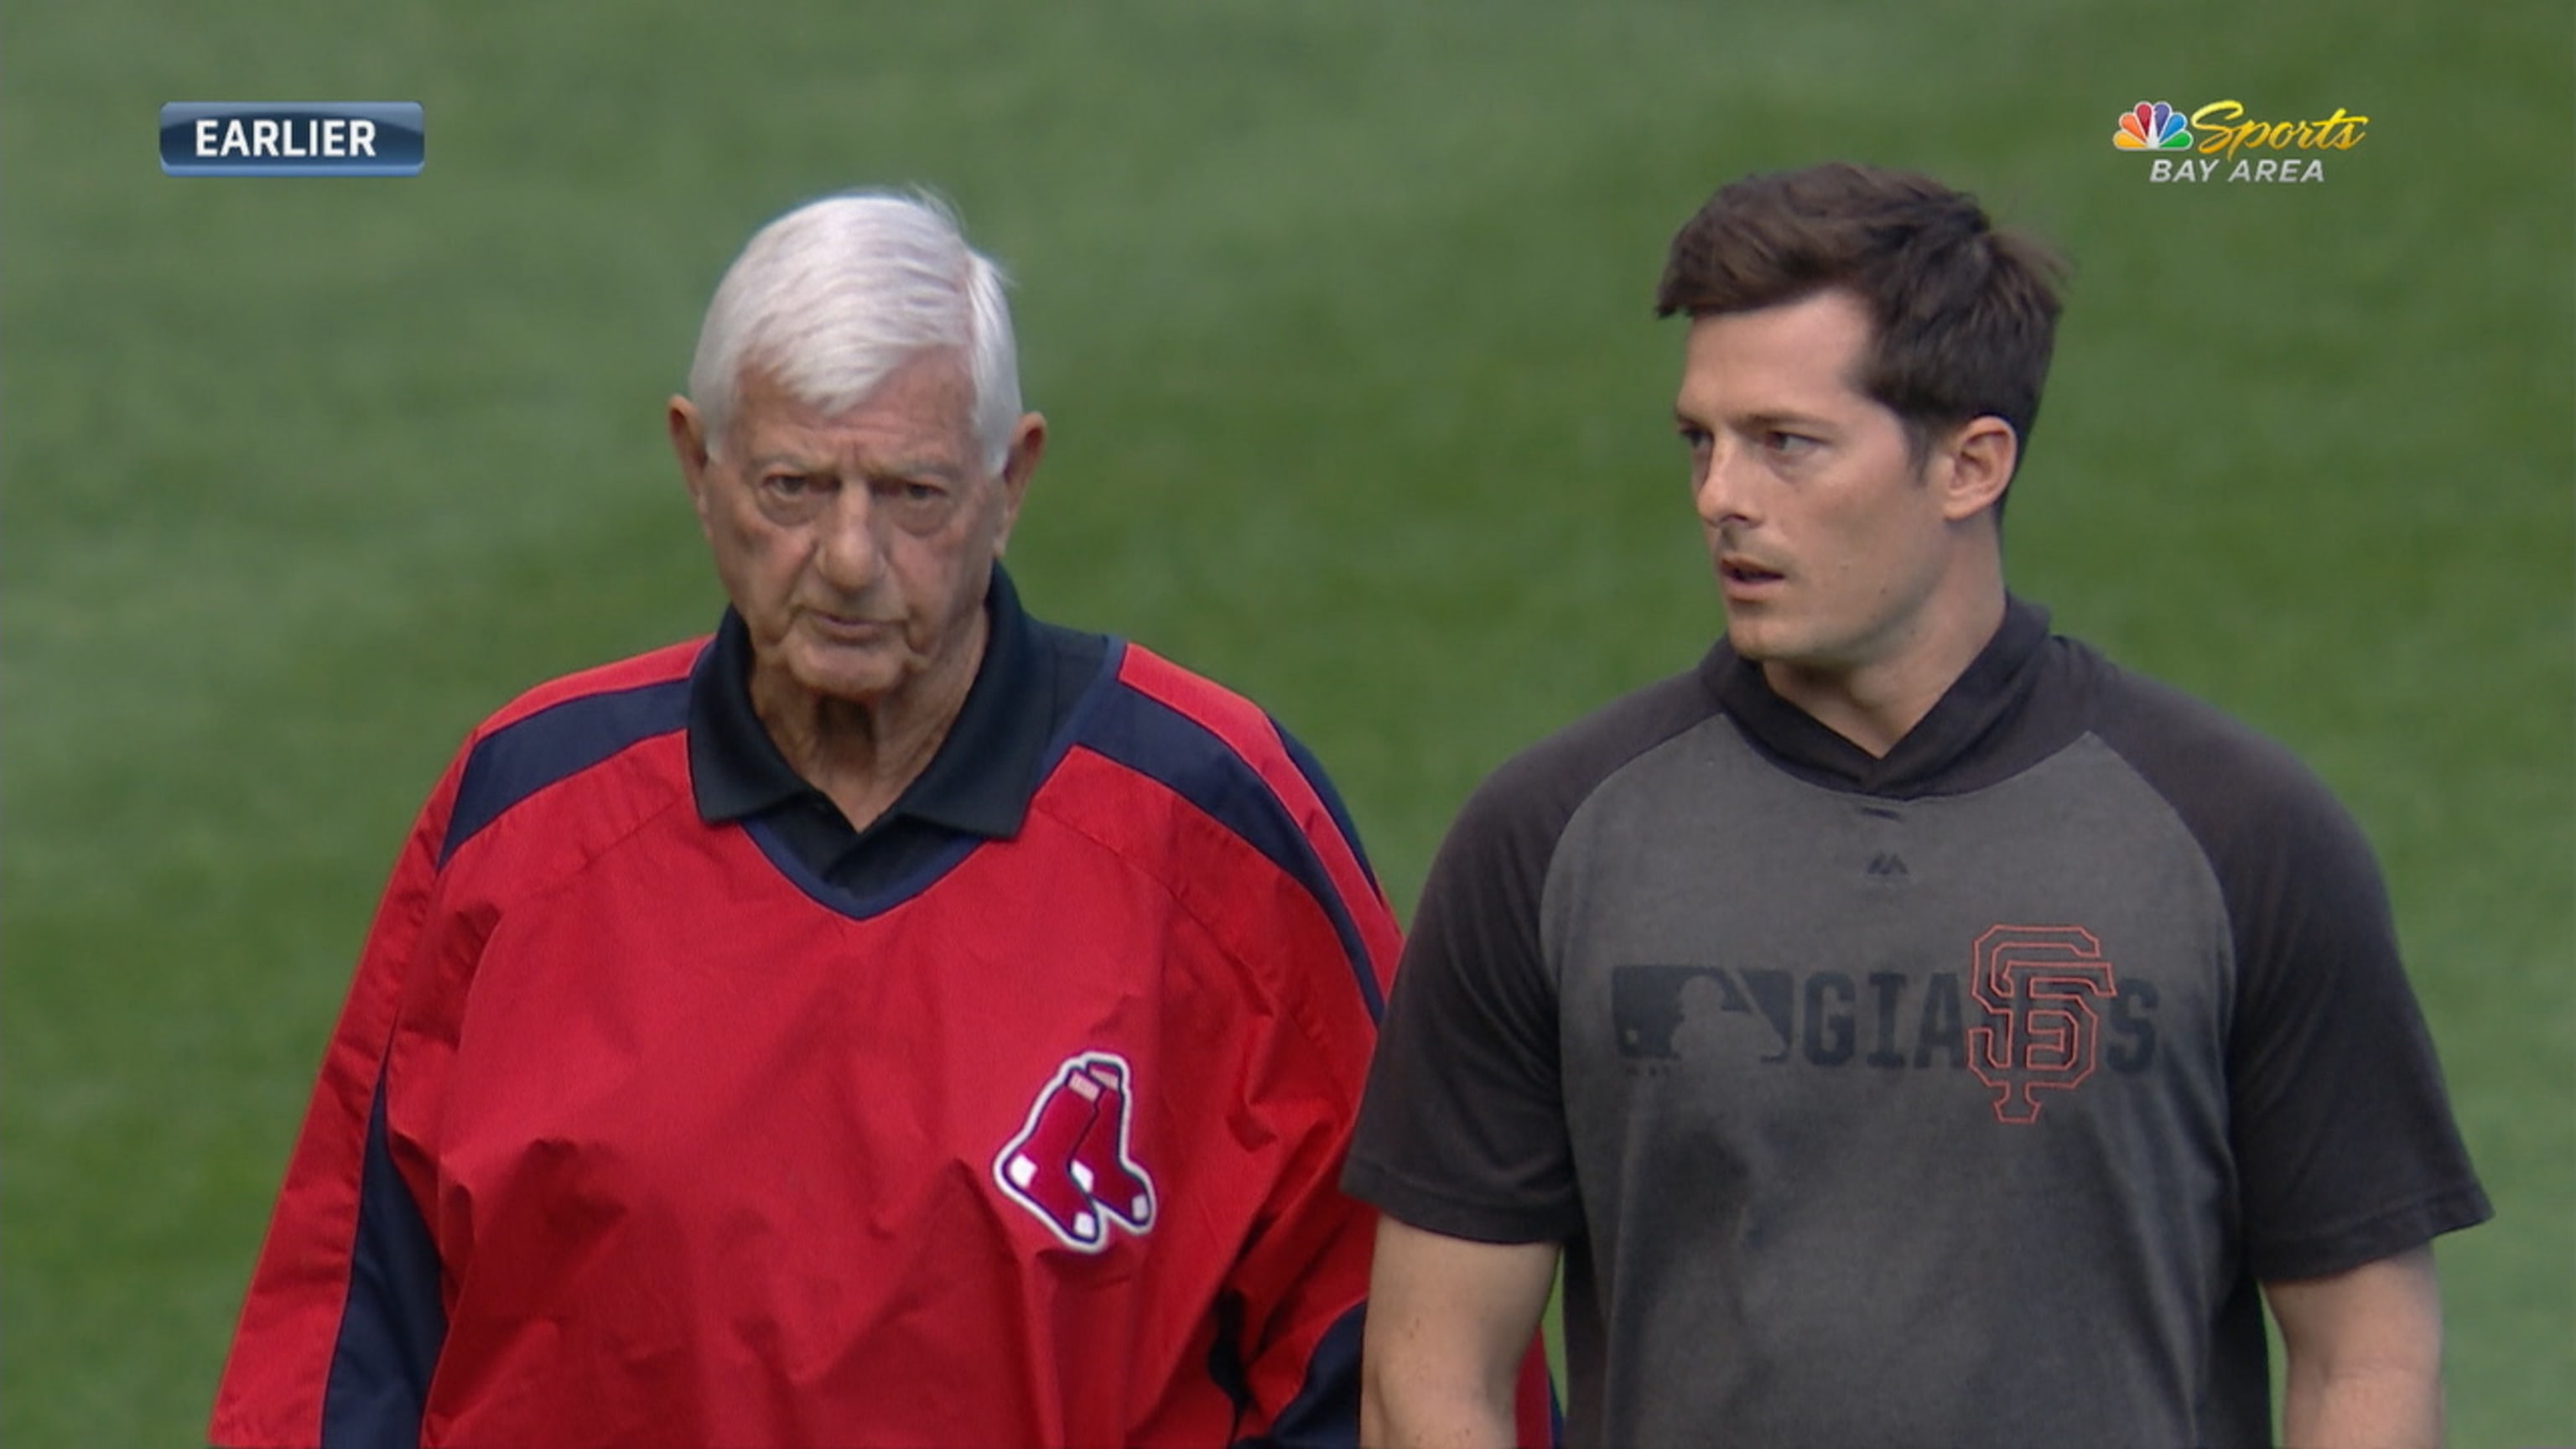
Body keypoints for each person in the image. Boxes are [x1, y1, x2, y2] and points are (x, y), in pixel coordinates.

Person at [208, 191, 1553, 1449]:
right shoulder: (522, 818)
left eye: (912, 494)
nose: (850, 560)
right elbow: (342, 1344)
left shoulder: (1215, 828)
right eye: (793, 489)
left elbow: (1403, 1341)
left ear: (1010, 484)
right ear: (696, 465)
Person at [1343, 163, 2491, 1449]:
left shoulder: (2244, 839)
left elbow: (2368, 1357)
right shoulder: (1547, 841)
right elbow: (1427, 1375)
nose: (1721, 496)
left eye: (1785, 443)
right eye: (1701, 441)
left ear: (1969, 464)